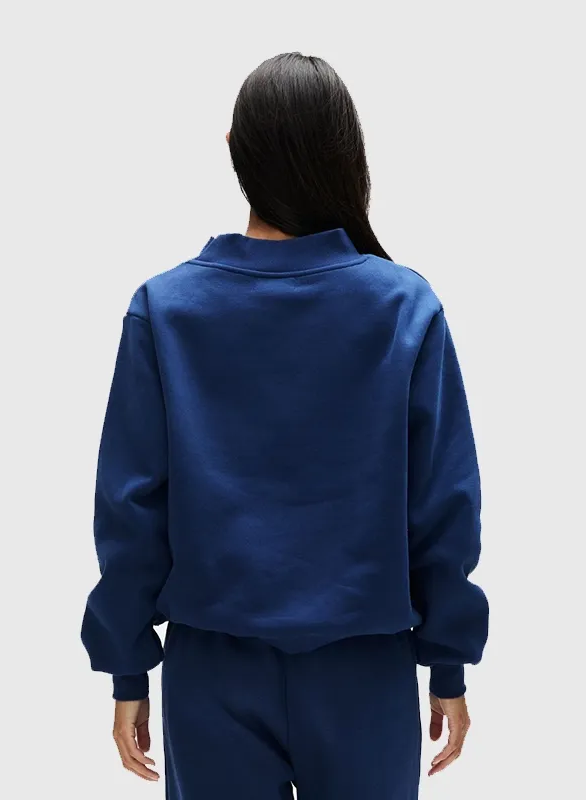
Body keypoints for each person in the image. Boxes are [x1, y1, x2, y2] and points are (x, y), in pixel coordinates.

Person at [81, 52, 488, 799]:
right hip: (366, 672)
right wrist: (448, 662)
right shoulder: (404, 307)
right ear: (347, 155)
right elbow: (444, 503)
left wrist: (128, 667)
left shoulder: (165, 310)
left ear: (235, 149)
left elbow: (131, 506)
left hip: (212, 672)